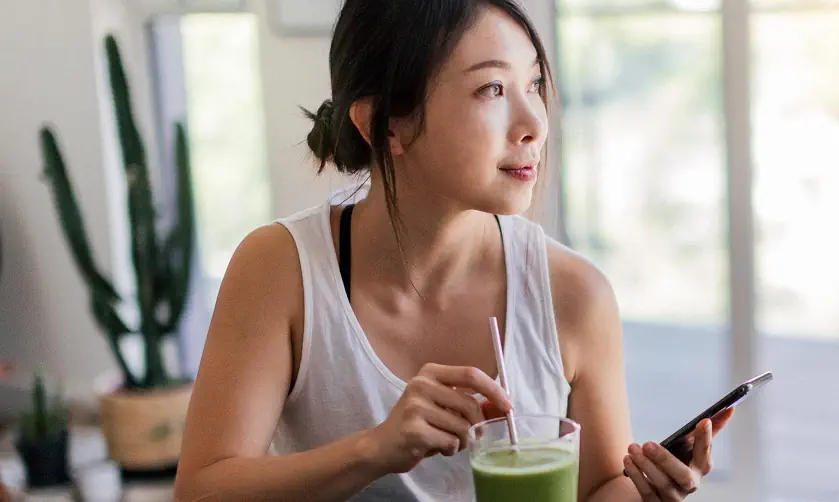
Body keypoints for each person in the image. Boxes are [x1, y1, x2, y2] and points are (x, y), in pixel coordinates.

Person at [170, 1, 732, 500]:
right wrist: (375, 448)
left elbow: (596, 491)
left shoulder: (575, 295)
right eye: (492, 88)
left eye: (533, 84)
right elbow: (200, 490)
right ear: (386, 125)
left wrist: (645, 496)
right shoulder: (281, 269)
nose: (533, 121)